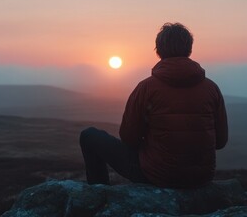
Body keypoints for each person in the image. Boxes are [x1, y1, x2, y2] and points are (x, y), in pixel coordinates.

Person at [79, 22, 228, 188]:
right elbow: (220, 141)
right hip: (202, 178)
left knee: (89, 136)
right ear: (189, 49)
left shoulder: (147, 88)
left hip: (157, 176)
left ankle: (99, 196)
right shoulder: (211, 88)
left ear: (158, 50)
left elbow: (128, 139)